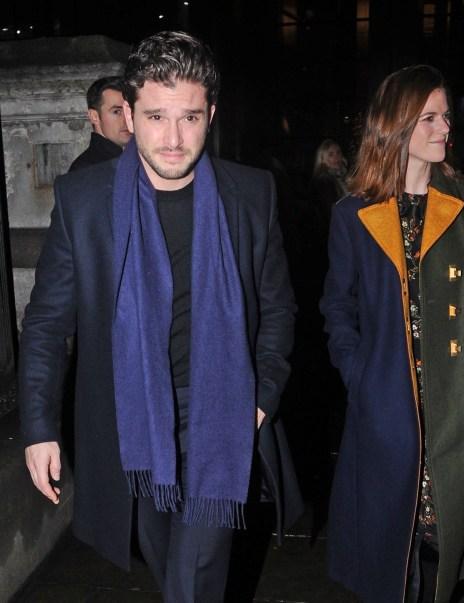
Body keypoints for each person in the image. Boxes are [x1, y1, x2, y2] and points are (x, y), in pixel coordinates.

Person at [19, 31, 302, 603]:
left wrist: (263, 394)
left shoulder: (251, 195)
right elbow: (48, 321)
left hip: (220, 416)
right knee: (168, 562)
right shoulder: (85, 200)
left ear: (211, 114)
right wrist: (39, 426)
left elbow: (278, 307)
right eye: (155, 117)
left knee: (194, 576)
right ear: (128, 112)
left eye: (190, 118)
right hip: (133, 424)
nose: (173, 139)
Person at [320, 65, 464, 602]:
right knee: (391, 536)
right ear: (396, 126)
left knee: (443, 533)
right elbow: (338, 306)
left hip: (456, 396)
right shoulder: (354, 213)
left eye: (445, 115)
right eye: (429, 117)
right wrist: (359, 374)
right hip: (388, 396)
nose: (444, 127)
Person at [69, 76, 132, 171]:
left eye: (130, 111)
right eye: (116, 112)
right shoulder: (85, 170)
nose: (127, 119)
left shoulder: (133, 158)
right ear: (94, 116)